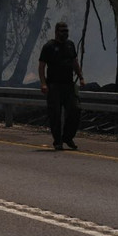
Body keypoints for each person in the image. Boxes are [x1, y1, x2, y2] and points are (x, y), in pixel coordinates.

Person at [38, 22, 86, 150]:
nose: (65, 33)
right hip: (54, 86)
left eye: (66, 31)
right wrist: (43, 83)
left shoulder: (70, 45)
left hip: (69, 85)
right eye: (62, 31)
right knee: (55, 114)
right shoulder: (49, 46)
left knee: (75, 110)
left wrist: (81, 77)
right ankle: (58, 141)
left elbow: (75, 63)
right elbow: (42, 66)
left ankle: (68, 137)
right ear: (56, 32)